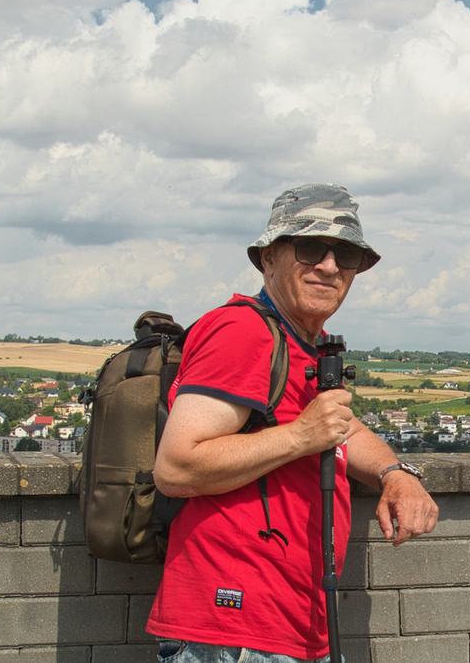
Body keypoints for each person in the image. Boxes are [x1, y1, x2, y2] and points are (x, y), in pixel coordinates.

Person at [147, 184, 438, 663]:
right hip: (235, 631)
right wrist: (301, 435)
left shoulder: (301, 341)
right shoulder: (240, 332)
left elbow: (340, 427)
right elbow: (177, 469)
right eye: (309, 248)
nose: (329, 266)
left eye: (345, 254)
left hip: (288, 626)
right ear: (267, 258)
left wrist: (394, 474)